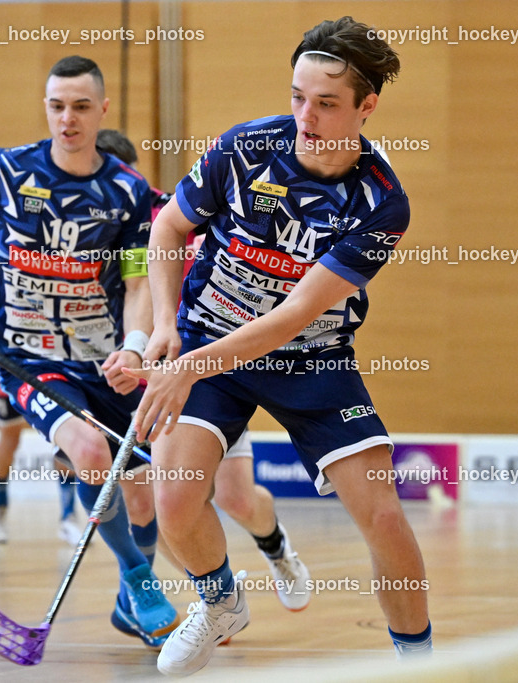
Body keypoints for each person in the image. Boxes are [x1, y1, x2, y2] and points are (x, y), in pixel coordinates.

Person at [124, 17, 432, 675]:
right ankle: (221, 603)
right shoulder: (242, 149)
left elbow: (295, 315)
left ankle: (420, 662)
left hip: (311, 359)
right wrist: (165, 326)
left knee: (383, 518)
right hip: (210, 337)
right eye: (297, 96)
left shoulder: (381, 203)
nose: (305, 117)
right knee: (175, 498)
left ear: (367, 107)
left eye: (326, 103)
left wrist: (186, 366)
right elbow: (168, 229)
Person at [0, 56, 179, 650]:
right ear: (46, 107)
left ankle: (129, 606)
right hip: (28, 360)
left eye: (81, 107)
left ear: (102, 110)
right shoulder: (9, 169)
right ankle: (140, 580)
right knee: (89, 451)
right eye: (57, 106)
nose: (68, 119)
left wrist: (135, 349)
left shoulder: (127, 192)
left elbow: (138, 283)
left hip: (105, 361)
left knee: (142, 495)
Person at [95, 128, 312, 612]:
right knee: (163, 503)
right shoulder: (98, 232)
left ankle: (277, 548)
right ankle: (216, 599)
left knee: (236, 498)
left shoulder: (177, 210)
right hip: (148, 377)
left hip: (212, 368)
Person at [0, 245, 81, 545]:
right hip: (9, 358)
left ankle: (68, 517)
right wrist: (0, 349)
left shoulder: (61, 238)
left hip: (56, 356)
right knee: (9, 435)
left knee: (66, 435)